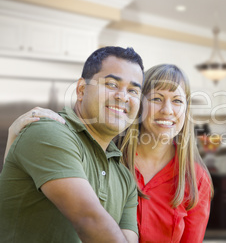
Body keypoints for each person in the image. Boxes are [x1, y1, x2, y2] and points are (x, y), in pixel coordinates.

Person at [3, 64, 213, 242]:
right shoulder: (107, 154)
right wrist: (16, 139)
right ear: (139, 104)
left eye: (177, 101)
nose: (167, 110)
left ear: (186, 110)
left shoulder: (196, 179)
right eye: (156, 98)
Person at [0, 46, 144, 243]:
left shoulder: (125, 178)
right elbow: (89, 220)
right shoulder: (49, 131)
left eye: (133, 90)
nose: (123, 96)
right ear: (81, 90)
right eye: (111, 84)